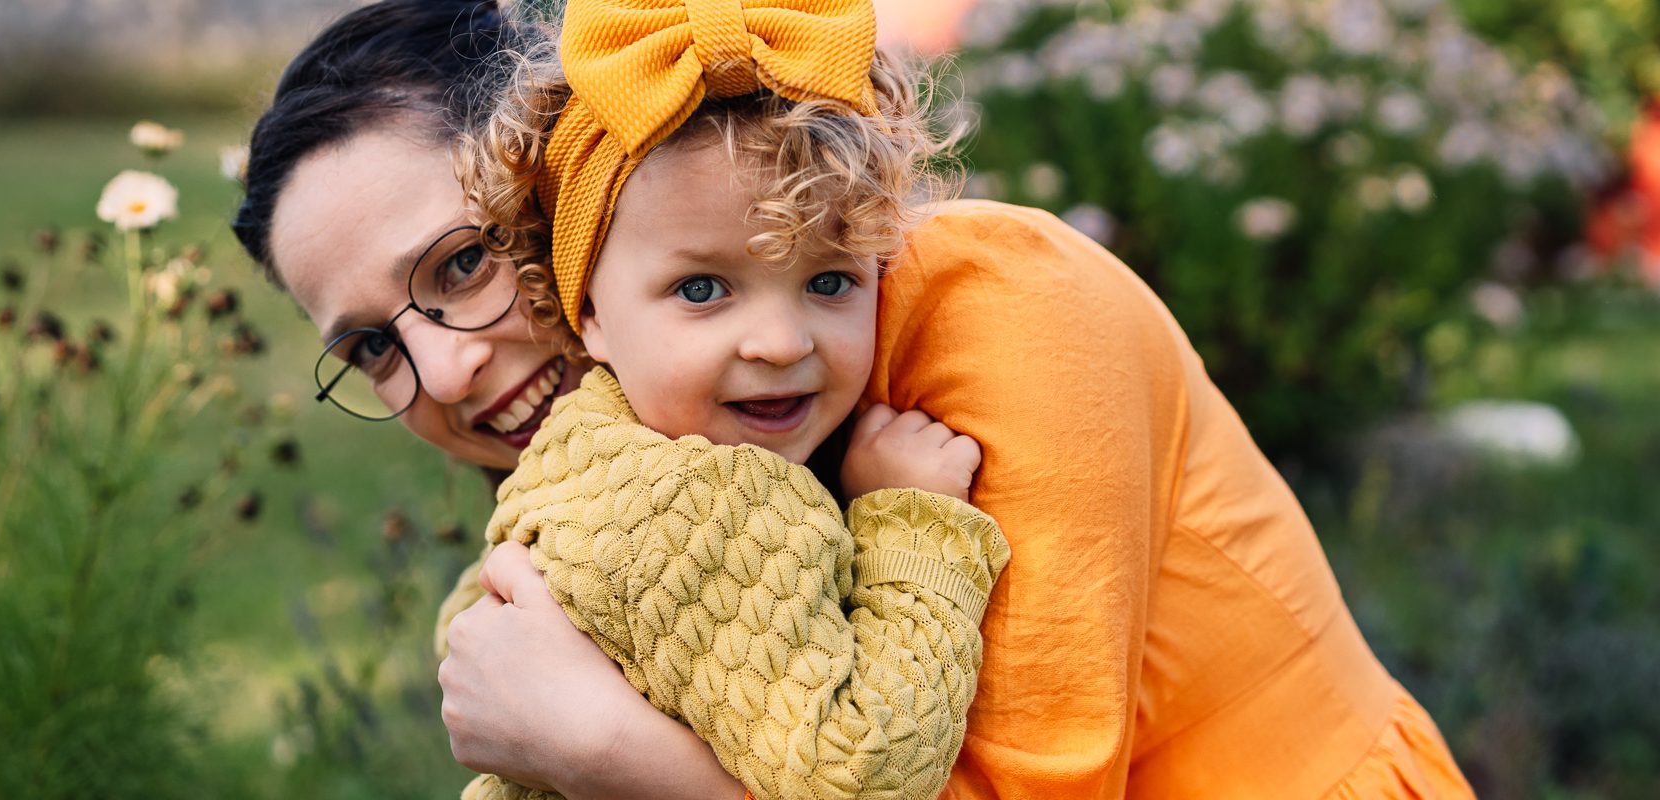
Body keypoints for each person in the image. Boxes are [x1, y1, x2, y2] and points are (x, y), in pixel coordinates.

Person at [234, 1, 1477, 797]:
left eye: (457, 265)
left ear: (551, 205)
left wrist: (603, 751)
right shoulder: (645, 443)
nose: (443, 369)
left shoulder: (1009, 316)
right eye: (371, 347)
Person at [437, 37, 1011, 797]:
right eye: (703, 289)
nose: (781, 343)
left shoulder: (579, 447)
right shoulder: (716, 498)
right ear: (589, 314)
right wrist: (912, 524)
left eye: (831, 279)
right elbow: (863, 776)